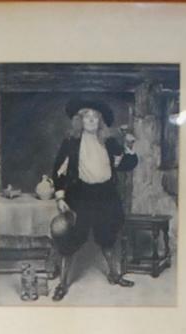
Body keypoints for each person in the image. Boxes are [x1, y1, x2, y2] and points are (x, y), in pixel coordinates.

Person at [48, 99, 138, 300]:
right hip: (81, 194)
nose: (91, 120)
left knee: (108, 234)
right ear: (79, 121)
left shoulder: (109, 142)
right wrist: (60, 196)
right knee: (71, 237)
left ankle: (114, 274)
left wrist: (130, 147)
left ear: (100, 122)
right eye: (87, 117)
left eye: (95, 117)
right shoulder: (71, 143)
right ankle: (62, 284)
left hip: (106, 194)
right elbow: (59, 170)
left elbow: (126, 164)